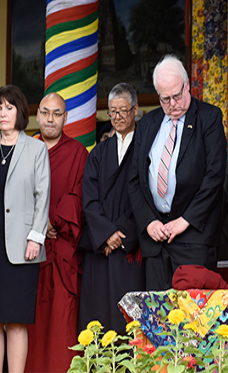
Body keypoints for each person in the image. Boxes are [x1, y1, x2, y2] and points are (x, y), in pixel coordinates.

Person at [128, 55, 225, 290]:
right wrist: (148, 222)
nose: (172, 104)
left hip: (193, 239)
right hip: (156, 241)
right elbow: (134, 180)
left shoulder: (209, 118)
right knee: (160, 319)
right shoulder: (147, 124)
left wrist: (186, 220)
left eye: (177, 96)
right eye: (165, 99)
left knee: (195, 321)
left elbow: (214, 177)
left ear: (187, 85)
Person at [0, 85, 49, 373]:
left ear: (20, 112)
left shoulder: (37, 148)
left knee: (16, 322)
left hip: (22, 247)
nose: (3, 113)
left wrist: (36, 236)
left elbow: (43, 196)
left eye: (9, 107)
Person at [25, 92, 88, 372]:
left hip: (61, 249)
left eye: (57, 113)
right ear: (37, 115)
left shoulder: (77, 153)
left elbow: (80, 195)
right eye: (46, 112)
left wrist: (55, 222)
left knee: (63, 321)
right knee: (29, 325)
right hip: (28, 250)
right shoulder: (24, 149)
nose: (50, 119)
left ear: (66, 117)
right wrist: (35, 225)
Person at [79, 83, 145, 333]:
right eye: (112, 112)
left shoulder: (145, 148)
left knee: (129, 319)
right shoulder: (99, 152)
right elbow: (89, 198)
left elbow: (148, 196)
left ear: (136, 110)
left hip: (130, 245)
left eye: (123, 111)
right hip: (101, 247)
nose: (117, 118)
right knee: (100, 319)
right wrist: (106, 234)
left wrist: (122, 235)